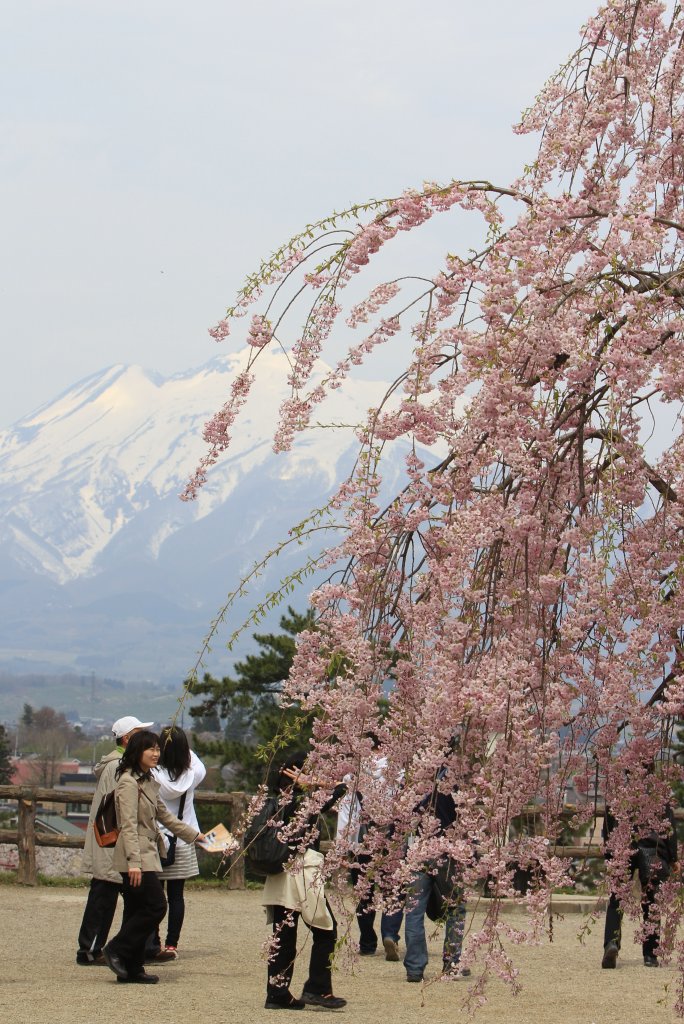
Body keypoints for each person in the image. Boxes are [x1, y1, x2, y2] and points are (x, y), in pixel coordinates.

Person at [102, 730, 204, 985]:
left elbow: (165, 817)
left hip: (147, 851)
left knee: (136, 908)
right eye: (151, 749)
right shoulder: (128, 782)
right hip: (135, 854)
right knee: (157, 905)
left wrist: (196, 836)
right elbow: (127, 825)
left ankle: (132, 968)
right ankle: (116, 948)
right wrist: (134, 864)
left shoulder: (147, 780)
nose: (157, 754)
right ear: (138, 751)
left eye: (158, 749)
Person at [262, 753, 347, 1010]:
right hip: (300, 871)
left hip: (282, 873)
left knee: (283, 935)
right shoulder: (297, 800)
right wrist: (317, 784)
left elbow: (338, 790)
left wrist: (315, 785)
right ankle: (317, 988)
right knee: (325, 929)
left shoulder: (283, 799)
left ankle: (277, 993)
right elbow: (340, 789)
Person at [76, 715, 153, 965]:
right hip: (112, 840)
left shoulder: (117, 764)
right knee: (105, 896)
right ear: (128, 739)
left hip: (113, 839)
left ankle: (123, 948)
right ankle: (91, 949)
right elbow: (118, 808)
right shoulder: (118, 766)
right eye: (140, 734)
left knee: (115, 895)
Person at [145, 725, 207, 962]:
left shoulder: (151, 775)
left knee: (153, 897)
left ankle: (153, 941)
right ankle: (172, 944)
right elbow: (196, 762)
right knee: (176, 896)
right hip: (183, 839)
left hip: (156, 841)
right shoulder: (192, 775)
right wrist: (182, 746)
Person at [336, 747, 403, 960]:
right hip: (391, 842)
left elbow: (347, 815)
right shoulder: (398, 773)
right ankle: (390, 934)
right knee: (392, 891)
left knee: (364, 893)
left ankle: (367, 942)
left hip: (362, 843)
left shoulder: (353, 775)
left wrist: (343, 848)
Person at [403, 776, 469, 983]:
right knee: (455, 908)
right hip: (448, 851)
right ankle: (452, 963)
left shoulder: (415, 778)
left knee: (414, 911)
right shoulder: (456, 778)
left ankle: (415, 968)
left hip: (418, 848)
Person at [601, 799, 677, 969]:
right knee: (652, 902)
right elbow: (669, 826)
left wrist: (609, 852)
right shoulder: (659, 793)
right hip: (653, 848)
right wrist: (673, 857)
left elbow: (608, 824)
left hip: (622, 846)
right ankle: (650, 955)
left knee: (617, 899)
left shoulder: (617, 792)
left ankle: (611, 943)